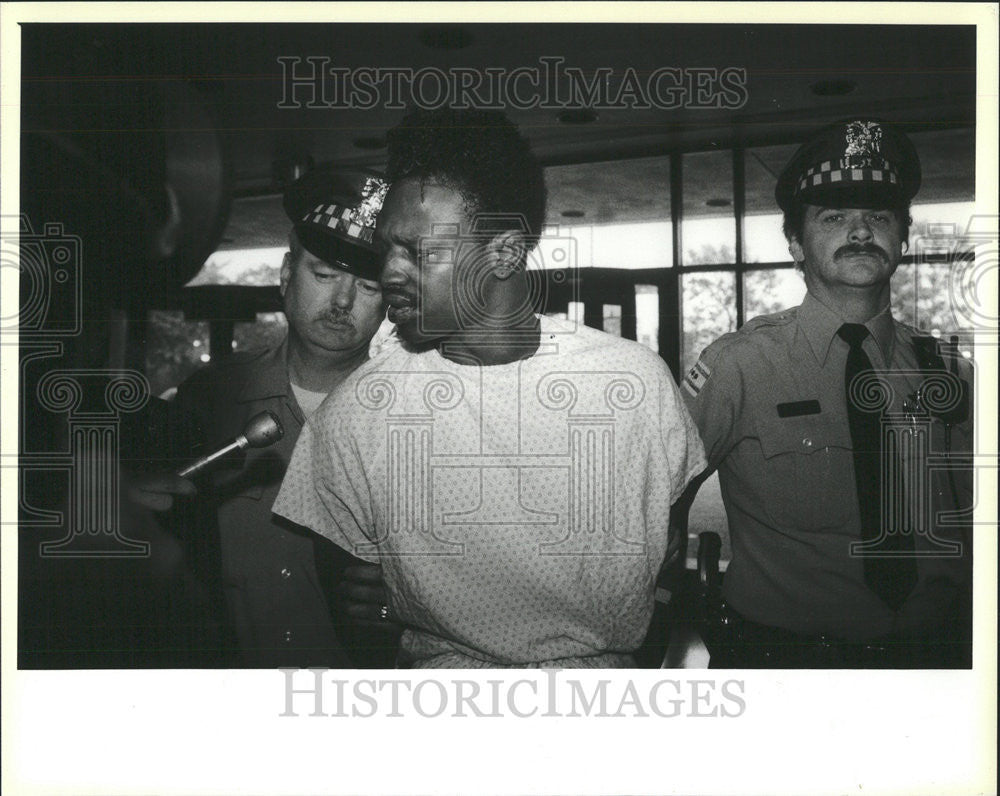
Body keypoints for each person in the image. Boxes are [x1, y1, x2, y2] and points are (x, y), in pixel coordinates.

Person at [273, 108, 707, 668]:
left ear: (503, 251)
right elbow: (354, 614)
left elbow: (666, 563)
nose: (389, 273)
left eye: (420, 252)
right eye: (388, 248)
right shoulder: (357, 413)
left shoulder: (632, 384)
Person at [675, 119, 974, 668]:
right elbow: (664, 497)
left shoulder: (949, 371)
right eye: (834, 217)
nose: (860, 232)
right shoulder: (740, 364)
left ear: (903, 237)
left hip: (936, 654)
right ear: (794, 243)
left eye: (878, 217)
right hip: (782, 658)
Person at [130, 165, 398, 667]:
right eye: (324, 275)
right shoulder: (209, 400)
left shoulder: (414, 419)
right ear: (284, 274)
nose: (342, 301)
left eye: (368, 286)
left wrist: (412, 603)